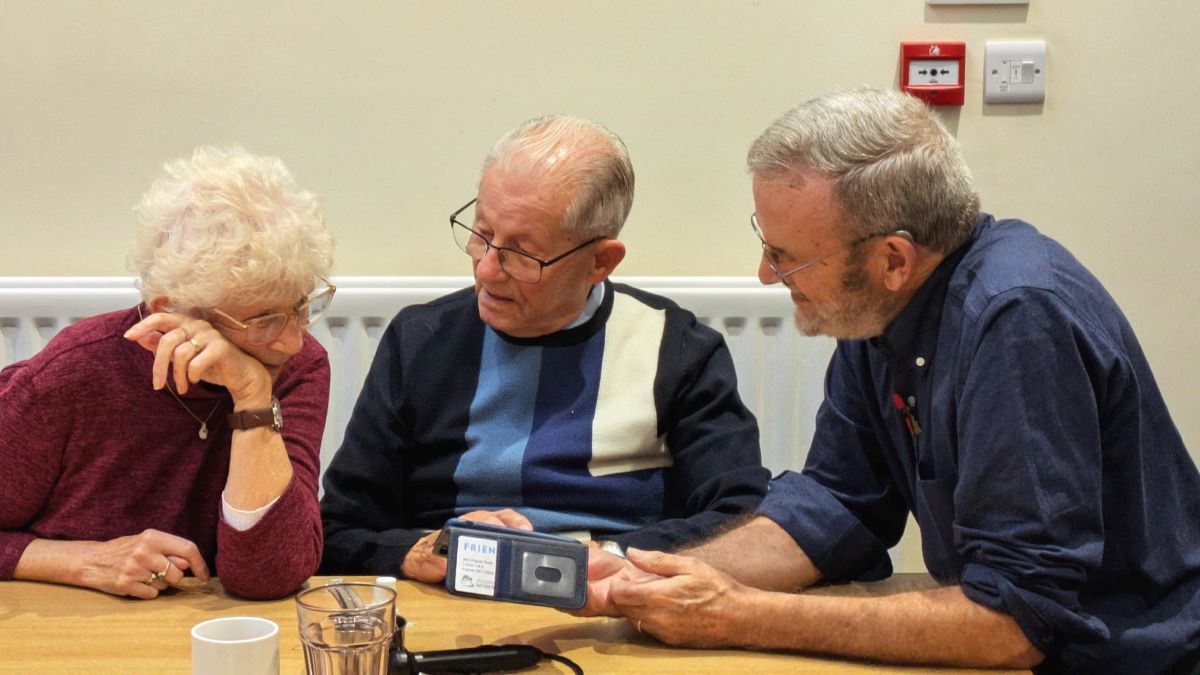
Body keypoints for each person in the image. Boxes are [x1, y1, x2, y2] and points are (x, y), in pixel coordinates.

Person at [581, 88, 1200, 673]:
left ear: (893, 260)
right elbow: (837, 507)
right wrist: (635, 578)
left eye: (788, 255)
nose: (768, 275)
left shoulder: (1016, 317)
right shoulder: (881, 310)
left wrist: (744, 616)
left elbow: (1017, 621)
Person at [319, 115, 770, 583]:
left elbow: (742, 515)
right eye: (482, 234)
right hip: (449, 600)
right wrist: (415, 552)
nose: (487, 270)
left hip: (614, 596)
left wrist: (606, 556)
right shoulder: (420, 340)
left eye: (522, 253)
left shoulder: (676, 350)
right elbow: (340, 529)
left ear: (600, 261)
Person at [0, 146, 336, 600]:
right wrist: (79, 562)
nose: (293, 340)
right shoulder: (74, 373)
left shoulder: (296, 367)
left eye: (300, 305)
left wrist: (253, 395)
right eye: (264, 320)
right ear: (172, 312)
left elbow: (269, 575)